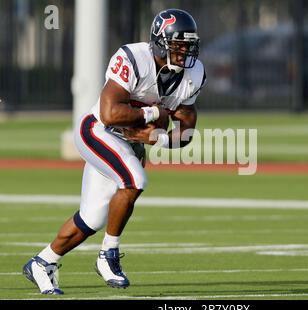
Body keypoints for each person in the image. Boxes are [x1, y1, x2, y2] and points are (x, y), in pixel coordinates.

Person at [22, 8, 206, 295]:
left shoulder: (192, 74)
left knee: (93, 217)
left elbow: (187, 130)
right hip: (97, 132)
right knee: (135, 181)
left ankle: (43, 261)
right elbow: (109, 113)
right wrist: (154, 112)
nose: (184, 51)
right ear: (160, 42)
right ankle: (108, 254)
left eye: (188, 44)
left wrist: (158, 137)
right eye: (178, 44)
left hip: (127, 142)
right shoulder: (134, 59)